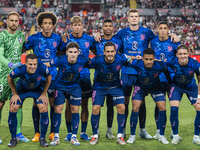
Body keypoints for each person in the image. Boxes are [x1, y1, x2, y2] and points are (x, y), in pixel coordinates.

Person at [95, 9, 180, 138]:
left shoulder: (147, 32)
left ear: (139, 18)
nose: (134, 18)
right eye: (131, 16)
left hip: (142, 71)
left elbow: (161, 37)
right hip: (127, 71)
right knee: (126, 102)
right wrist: (98, 35)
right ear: (128, 19)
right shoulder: (121, 33)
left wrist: (173, 34)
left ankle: (142, 130)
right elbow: (109, 37)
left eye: (136, 16)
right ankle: (122, 130)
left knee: (141, 101)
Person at [88, 42, 138, 145]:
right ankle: (94, 135)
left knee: (122, 107)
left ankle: (120, 136)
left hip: (115, 87)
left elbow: (131, 58)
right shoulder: (97, 60)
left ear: (115, 52)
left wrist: (137, 57)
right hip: (99, 87)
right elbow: (86, 64)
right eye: (108, 52)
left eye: (112, 51)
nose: (110, 54)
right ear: (104, 52)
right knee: (95, 108)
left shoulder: (121, 58)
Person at [23, 12, 61, 141]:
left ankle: (51, 132)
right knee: (36, 103)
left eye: (50, 23)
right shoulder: (34, 38)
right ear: (40, 25)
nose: (47, 25)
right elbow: (22, 49)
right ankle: (37, 132)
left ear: (53, 25)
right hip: (37, 76)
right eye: (45, 23)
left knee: (52, 102)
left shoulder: (57, 38)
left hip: (53, 76)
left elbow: (62, 52)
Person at [45, 42, 88, 146]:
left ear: (78, 53)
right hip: (60, 86)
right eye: (70, 52)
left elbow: (96, 63)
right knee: (58, 109)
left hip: (75, 86)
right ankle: (56, 137)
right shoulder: (59, 59)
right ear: (66, 52)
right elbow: (47, 64)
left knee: (75, 110)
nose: (73, 54)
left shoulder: (83, 59)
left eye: (75, 52)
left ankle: (74, 137)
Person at [60, 16, 95, 141]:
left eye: (79, 25)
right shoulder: (66, 39)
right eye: (74, 25)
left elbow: (97, 52)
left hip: (84, 76)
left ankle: (83, 132)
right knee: (69, 104)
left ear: (82, 26)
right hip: (69, 77)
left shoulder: (89, 39)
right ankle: (69, 132)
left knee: (84, 104)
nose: (77, 27)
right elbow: (60, 54)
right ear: (71, 26)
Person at [127, 48, 171, 144]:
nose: (148, 62)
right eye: (146, 59)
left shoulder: (160, 65)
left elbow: (168, 72)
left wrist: (168, 85)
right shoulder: (136, 63)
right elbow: (125, 60)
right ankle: (132, 135)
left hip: (156, 88)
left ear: (154, 58)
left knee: (162, 108)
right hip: (141, 88)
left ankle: (162, 136)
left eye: (151, 59)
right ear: (142, 58)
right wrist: (133, 57)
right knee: (135, 108)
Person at [7, 53, 52, 147]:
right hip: (22, 90)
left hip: (37, 90)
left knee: (43, 108)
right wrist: (15, 93)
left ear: (37, 63)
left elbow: (49, 77)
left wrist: (44, 93)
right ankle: (13, 138)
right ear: (26, 63)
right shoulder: (20, 69)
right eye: (30, 64)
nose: (33, 66)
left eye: (35, 64)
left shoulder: (42, 68)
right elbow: (9, 77)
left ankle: (42, 138)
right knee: (13, 107)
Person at [0, 11, 28, 144]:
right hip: (3, 74)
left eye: (16, 21)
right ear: (7, 21)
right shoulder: (2, 36)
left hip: (17, 75)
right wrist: (10, 64)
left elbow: (23, 50)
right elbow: (0, 55)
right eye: (11, 20)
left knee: (18, 103)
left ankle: (18, 133)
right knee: (0, 104)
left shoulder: (21, 35)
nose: (14, 23)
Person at [93, 18, 124, 139]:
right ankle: (97, 130)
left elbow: (123, 53)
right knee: (97, 106)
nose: (108, 28)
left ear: (113, 28)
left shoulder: (118, 40)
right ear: (102, 28)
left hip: (114, 80)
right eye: (105, 26)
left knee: (111, 106)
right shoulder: (96, 40)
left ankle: (109, 130)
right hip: (99, 79)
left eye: (110, 26)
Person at [150, 21, 181, 139]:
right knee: (159, 104)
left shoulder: (174, 42)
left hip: (172, 77)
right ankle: (158, 130)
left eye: (165, 28)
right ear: (157, 29)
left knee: (173, 105)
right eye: (160, 28)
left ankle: (174, 132)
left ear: (168, 30)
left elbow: (181, 56)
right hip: (158, 77)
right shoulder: (152, 41)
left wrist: (175, 36)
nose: (162, 30)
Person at [167, 45, 200, 145]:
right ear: (176, 54)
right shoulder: (171, 61)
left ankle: (196, 137)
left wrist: (199, 96)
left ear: (188, 53)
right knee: (173, 109)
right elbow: (159, 63)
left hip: (191, 86)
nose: (182, 56)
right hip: (176, 86)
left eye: (184, 54)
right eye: (180, 54)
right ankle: (175, 136)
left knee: (199, 108)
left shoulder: (195, 63)